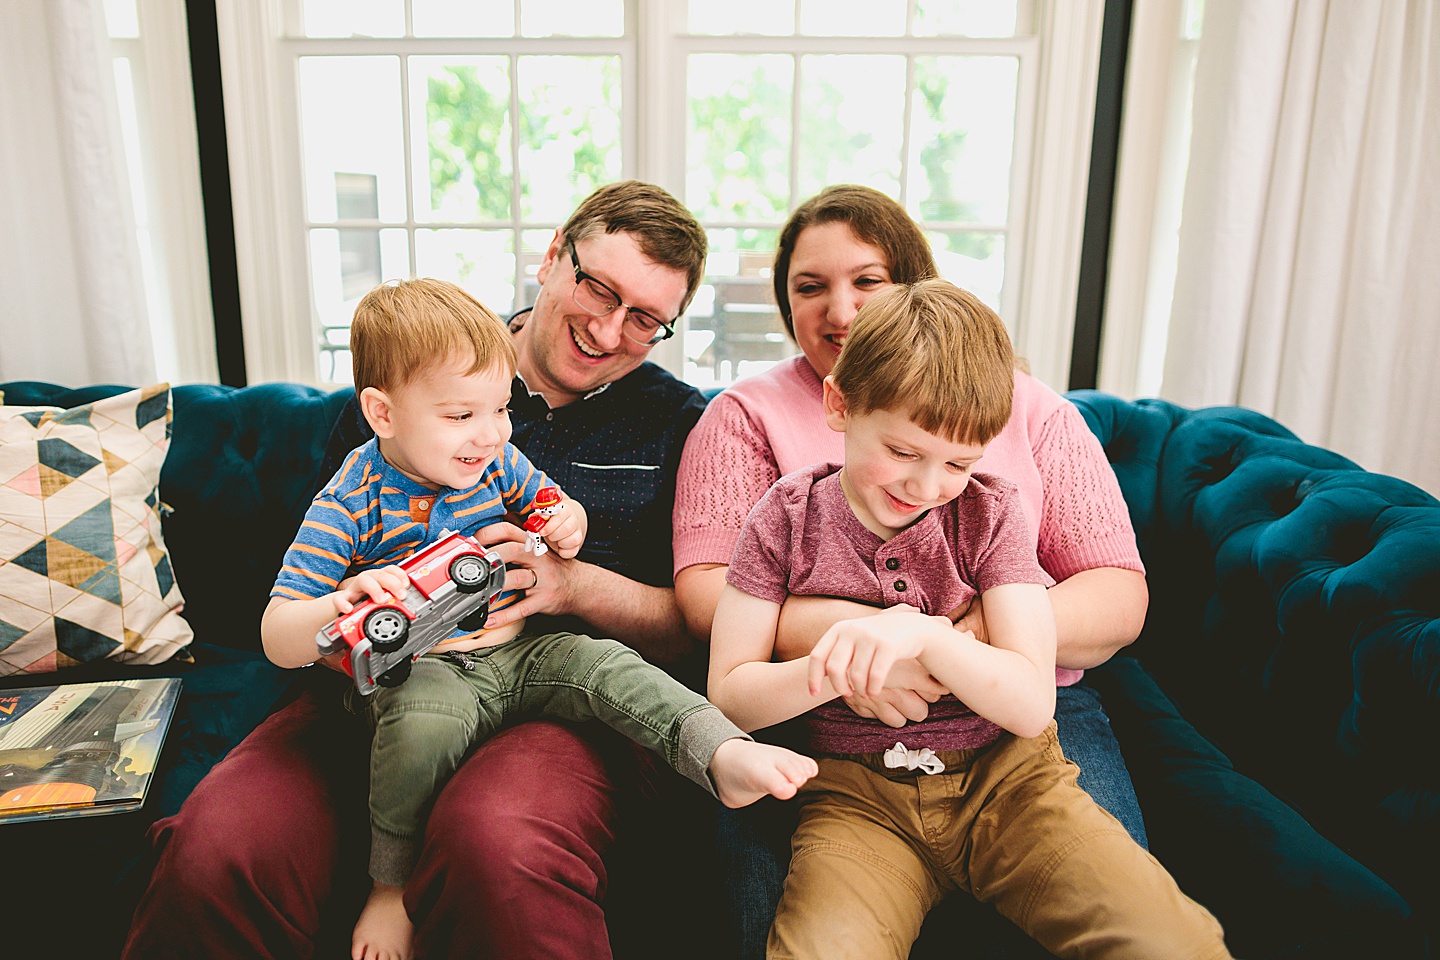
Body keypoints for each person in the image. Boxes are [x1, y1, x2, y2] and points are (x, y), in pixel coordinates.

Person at [123, 181, 737, 960]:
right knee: (220, 846)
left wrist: (574, 584)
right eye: (599, 288)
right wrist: (354, 605)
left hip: (552, 696)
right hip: (378, 680)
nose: (610, 328)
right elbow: (309, 590)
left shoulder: (683, 423)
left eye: (646, 318)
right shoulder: (420, 364)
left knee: (497, 847)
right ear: (554, 257)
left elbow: (693, 631)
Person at [261, 278, 816, 960]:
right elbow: (278, 633)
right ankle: (389, 887)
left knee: (610, 667)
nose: (491, 432)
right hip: (428, 671)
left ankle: (722, 753)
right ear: (382, 413)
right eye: (461, 415)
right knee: (421, 728)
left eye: (500, 408)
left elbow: (551, 502)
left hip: (520, 650)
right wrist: (338, 603)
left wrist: (565, 521)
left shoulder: (495, 461)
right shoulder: (350, 501)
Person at [672, 184, 1151, 957]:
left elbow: (1116, 596)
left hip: (1018, 706)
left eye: (867, 280)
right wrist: (870, 644)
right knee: (768, 918)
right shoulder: (744, 415)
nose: (840, 309)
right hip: (823, 720)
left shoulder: (1023, 408)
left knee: (1117, 909)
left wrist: (955, 641)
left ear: (914, 285)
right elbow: (707, 598)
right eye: (809, 286)